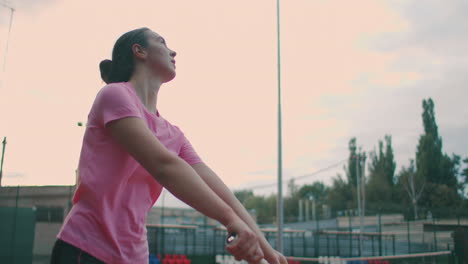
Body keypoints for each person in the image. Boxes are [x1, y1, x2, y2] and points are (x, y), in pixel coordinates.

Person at [50, 27, 288, 264]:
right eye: (162, 42)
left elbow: (220, 192)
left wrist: (268, 251)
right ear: (139, 51)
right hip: (86, 250)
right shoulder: (114, 96)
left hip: (134, 257)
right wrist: (229, 220)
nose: (173, 51)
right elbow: (164, 166)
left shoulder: (173, 134)